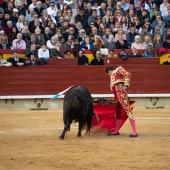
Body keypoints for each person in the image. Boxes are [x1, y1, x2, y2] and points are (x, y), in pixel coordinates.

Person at [105, 66, 138, 137]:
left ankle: (134, 132)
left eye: (108, 74)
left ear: (109, 71)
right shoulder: (113, 79)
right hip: (116, 97)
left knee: (128, 112)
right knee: (118, 113)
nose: (109, 76)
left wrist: (126, 85)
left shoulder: (118, 69)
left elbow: (128, 74)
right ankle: (116, 131)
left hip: (122, 96)